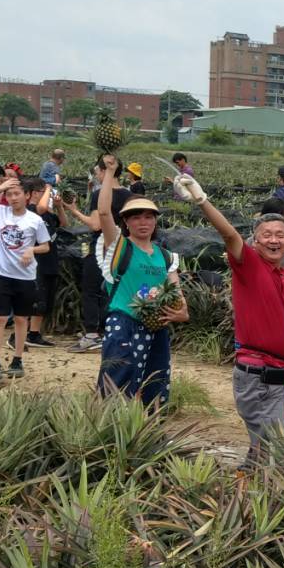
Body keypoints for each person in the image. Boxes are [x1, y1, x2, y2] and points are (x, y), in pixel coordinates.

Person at [177, 172, 284, 465]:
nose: (274, 240)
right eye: (267, 235)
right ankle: (258, 497)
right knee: (273, 449)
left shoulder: (280, 275)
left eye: (281, 235)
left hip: (276, 377)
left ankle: (250, 485)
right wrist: (203, 201)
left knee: (265, 449)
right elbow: (229, 235)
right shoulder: (250, 264)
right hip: (257, 375)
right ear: (255, 240)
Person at [94, 163, 184, 407]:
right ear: (125, 222)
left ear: (155, 221)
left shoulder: (166, 256)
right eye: (135, 217)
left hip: (156, 327)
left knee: (154, 382)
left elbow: (177, 294)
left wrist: (180, 312)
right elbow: (103, 213)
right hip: (124, 322)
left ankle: (147, 433)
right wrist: (110, 172)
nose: (142, 222)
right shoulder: (120, 247)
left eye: (148, 217)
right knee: (117, 381)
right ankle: (111, 431)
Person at [0, 177, 51, 378]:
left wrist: (31, 250)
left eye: (17, 194)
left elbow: (46, 245)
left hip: (25, 277)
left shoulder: (35, 220)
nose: (13, 198)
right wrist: (1, 187)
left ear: (27, 196)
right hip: (1, 275)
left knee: (20, 319)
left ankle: (17, 359)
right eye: (9, 194)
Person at [63, 154, 131, 353]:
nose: (97, 175)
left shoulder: (100, 194)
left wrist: (73, 211)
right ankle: (109, 331)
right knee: (111, 291)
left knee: (91, 290)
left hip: (101, 248)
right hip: (122, 249)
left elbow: (95, 224)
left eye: (97, 171)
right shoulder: (129, 195)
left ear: (104, 171)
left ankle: (92, 334)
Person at [24, 178, 60, 345]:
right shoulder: (30, 210)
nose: (45, 195)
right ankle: (24, 333)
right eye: (40, 192)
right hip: (37, 260)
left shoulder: (48, 214)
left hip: (51, 259)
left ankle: (34, 333)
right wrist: (48, 187)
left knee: (46, 298)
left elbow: (64, 223)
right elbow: (42, 207)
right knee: (36, 298)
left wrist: (59, 206)